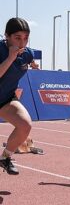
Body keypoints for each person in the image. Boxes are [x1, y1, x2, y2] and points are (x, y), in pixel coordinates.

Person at [0, 18, 34, 175]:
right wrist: (10, 58)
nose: (22, 43)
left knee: (25, 125)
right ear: (7, 36)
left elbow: (27, 59)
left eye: (26, 38)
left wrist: (33, 64)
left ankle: (5, 158)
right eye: (17, 38)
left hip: (6, 99)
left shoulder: (27, 54)